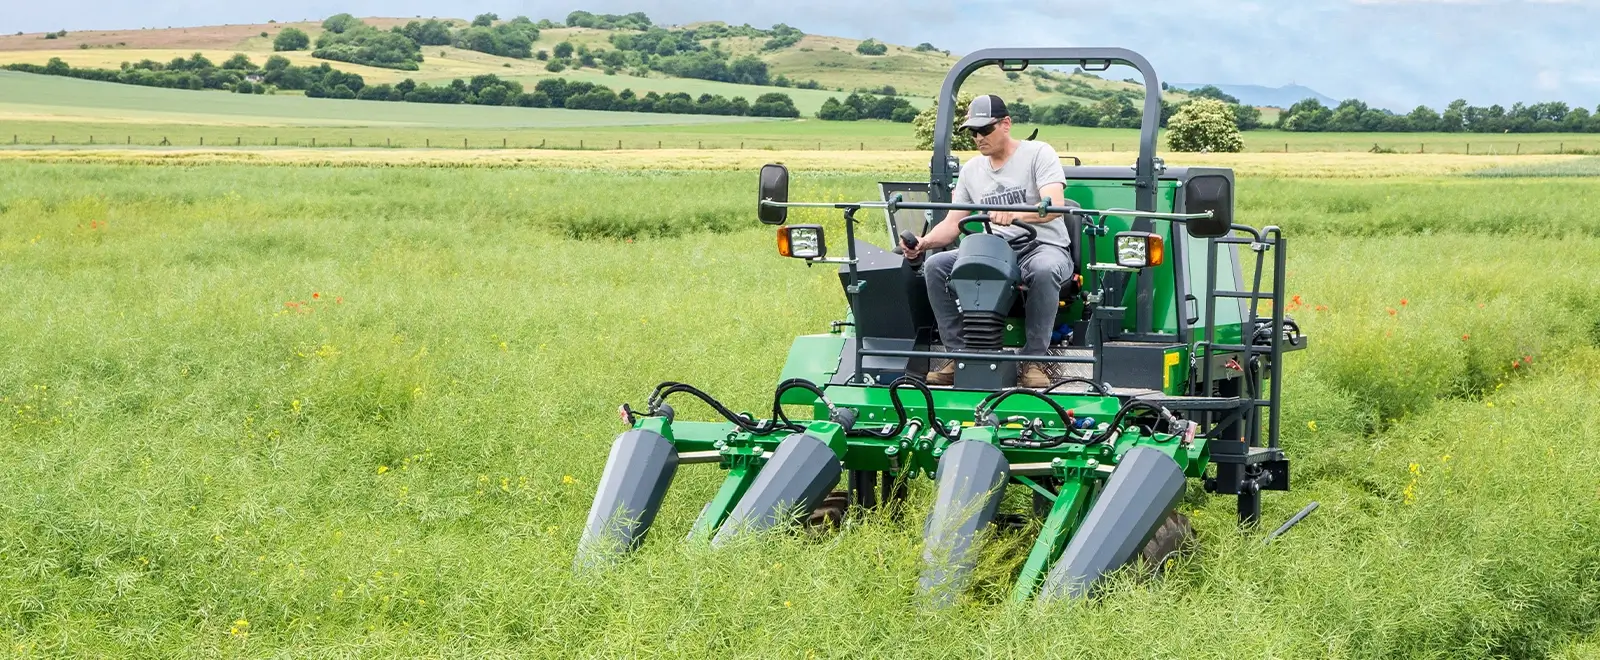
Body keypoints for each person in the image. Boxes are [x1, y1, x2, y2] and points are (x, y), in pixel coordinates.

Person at [901, 95, 1077, 388]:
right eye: (973, 132)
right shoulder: (971, 170)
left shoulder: (1038, 154)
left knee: (1045, 270)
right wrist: (923, 242)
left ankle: (1033, 360)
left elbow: (1054, 204)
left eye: (985, 129)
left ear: (1006, 124)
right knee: (935, 266)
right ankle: (960, 356)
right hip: (993, 250)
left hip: (1042, 247)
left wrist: (1020, 214)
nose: (978, 138)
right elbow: (953, 223)